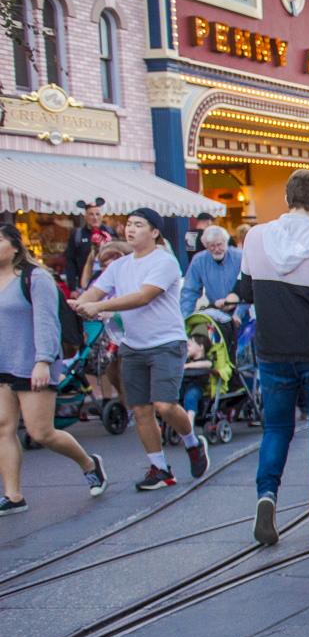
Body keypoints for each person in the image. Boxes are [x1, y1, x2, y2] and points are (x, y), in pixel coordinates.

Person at [233, 173, 309, 536]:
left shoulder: (255, 237)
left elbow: (246, 292)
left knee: (278, 428)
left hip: (272, 350)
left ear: (287, 199)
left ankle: (267, 494)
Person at [74, 207, 207, 492]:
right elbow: (93, 292)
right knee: (141, 409)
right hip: (132, 345)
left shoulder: (165, 261)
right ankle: (160, 469)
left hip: (166, 343)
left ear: (155, 232)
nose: (130, 229)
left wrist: (97, 306)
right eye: (128, 224)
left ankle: (192, 443)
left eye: (138, 225)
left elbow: (143, 296)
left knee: (164, 405)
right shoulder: (118, 266)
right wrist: (81, 304)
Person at [0, 225, 107, 514]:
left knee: (41, 432)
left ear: (15, 247)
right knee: (3, 428)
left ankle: (89, 464)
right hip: (2, 364)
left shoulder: (34, 278)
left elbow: (48, 322)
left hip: (33, 362)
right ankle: (14, 496)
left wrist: (44, 361)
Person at [179, 225, 241, 317]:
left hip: (241, 312)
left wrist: (238, 314)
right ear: (206, 246)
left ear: (226, 242)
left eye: (219, 244)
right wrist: (186, 319)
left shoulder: (240, 257)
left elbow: (247, 287)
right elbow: (189, 291)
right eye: (212, 246)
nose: (216, 249)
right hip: (216, 312)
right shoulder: (199, 260)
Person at [63, 201, 113, 293]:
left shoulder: (110, 233)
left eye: (97, 214)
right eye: (91, 214)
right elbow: (70, 262)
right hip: (85, 285)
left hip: (109, 284)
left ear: (102, 216)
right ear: (85, 217)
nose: (95, 218)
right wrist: (72, 289)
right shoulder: (77, 235)